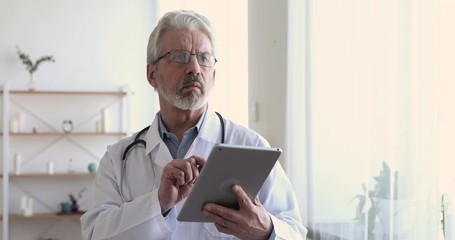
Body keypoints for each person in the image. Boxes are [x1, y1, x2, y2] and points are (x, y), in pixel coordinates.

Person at [80, 10, 307, 239]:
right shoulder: (118, 159)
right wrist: (158, 202)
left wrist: (265, 230)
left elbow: (295, 233)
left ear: (213, 75)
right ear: (152, 74)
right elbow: (94, 234)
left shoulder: (252, 146)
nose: (195, 68)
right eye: (179, 56)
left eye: (204, 58)